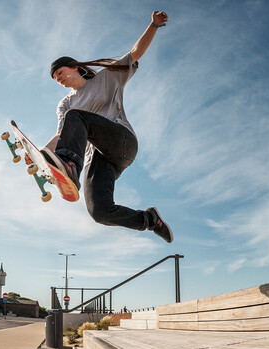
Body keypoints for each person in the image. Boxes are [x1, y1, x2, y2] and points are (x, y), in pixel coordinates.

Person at [40, 10, 173, 243]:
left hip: (122, 142)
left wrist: (153, 25)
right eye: (55, 78)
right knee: (99, 211)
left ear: (73, 67)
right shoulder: (66, 103)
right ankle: (150, 221)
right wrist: (41, 154)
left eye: (60, 73)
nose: (58, 79)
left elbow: (134, 53)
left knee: (77, 117)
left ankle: (71, 164)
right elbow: (62, 134)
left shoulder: (108, 76)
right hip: (101, 158)